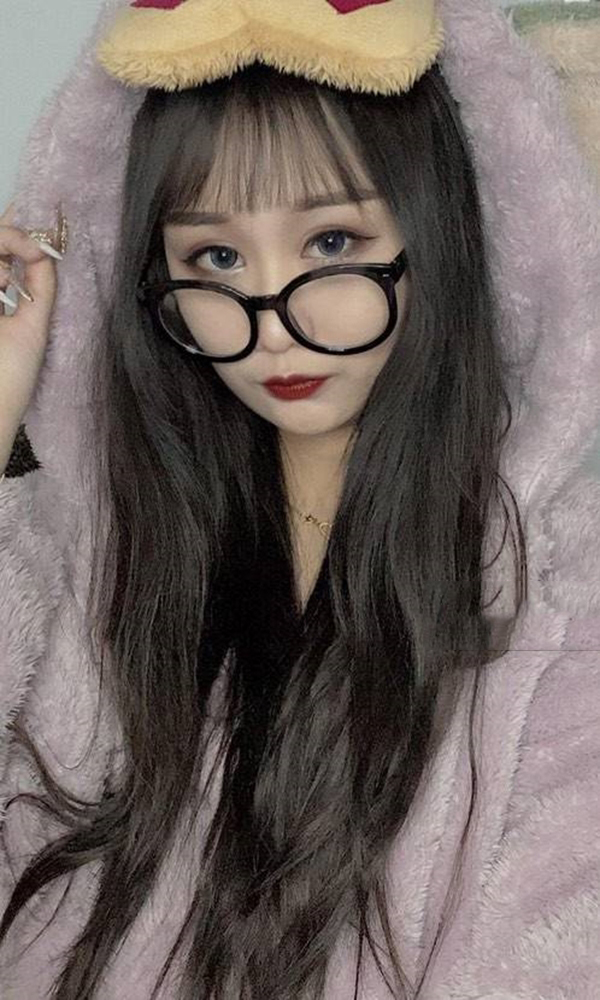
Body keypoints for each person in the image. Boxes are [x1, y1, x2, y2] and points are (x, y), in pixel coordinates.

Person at [0, 0, 599, 997]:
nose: (272, 321)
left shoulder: (564, 607)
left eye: (329, 243)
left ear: (441, 234)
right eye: (216, 258)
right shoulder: (86, 565)